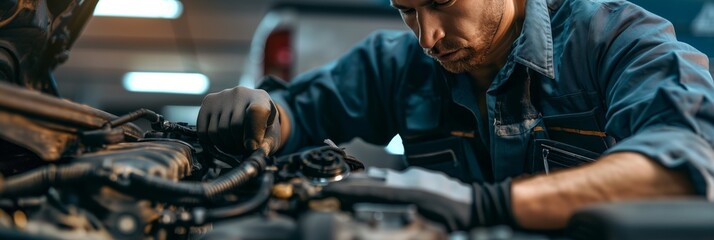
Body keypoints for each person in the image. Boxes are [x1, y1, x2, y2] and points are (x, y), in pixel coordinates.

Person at [197, 0, 714, 231]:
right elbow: (299, 112)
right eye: (408, 10)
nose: (427, 36)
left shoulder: (619, 42)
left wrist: (484, 206)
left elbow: (680, 170)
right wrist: (262, 111)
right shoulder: (396, 65)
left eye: (442, 3)